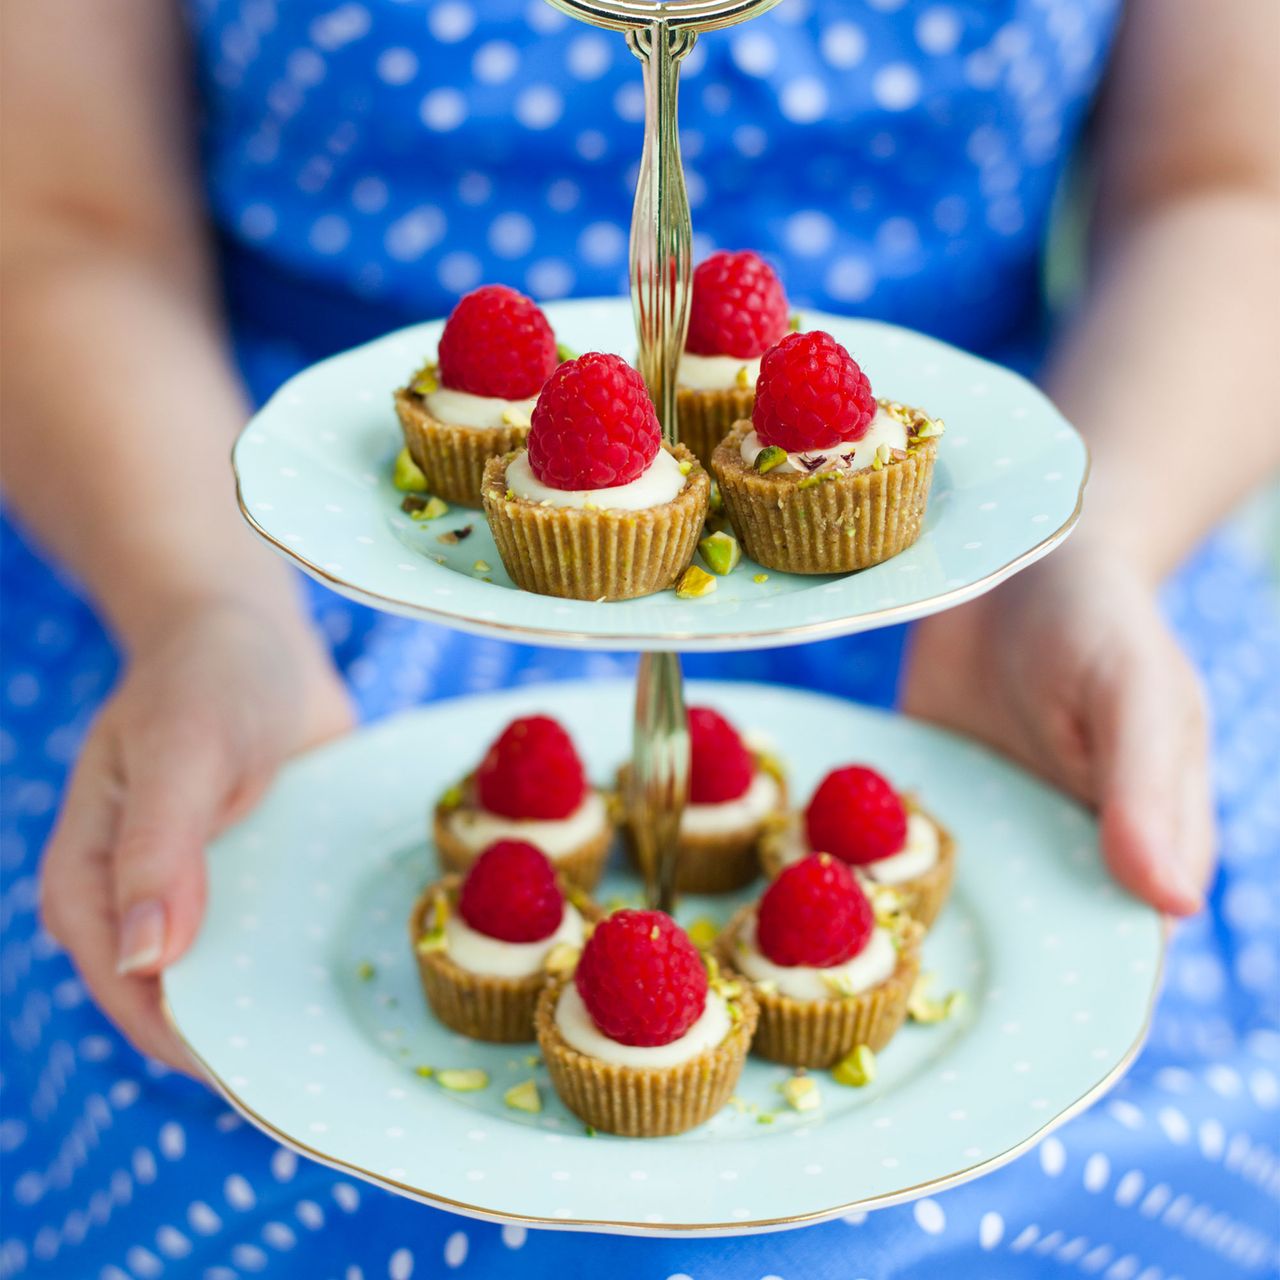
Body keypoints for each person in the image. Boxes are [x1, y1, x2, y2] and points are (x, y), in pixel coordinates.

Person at [2, 2, 1277, 1277]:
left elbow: (1230, 185)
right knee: (227, 1063)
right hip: (235, 518)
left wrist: (1092, 550)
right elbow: (56, 219)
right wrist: (202, 603)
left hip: (1017, 536)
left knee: (1096, 1068)